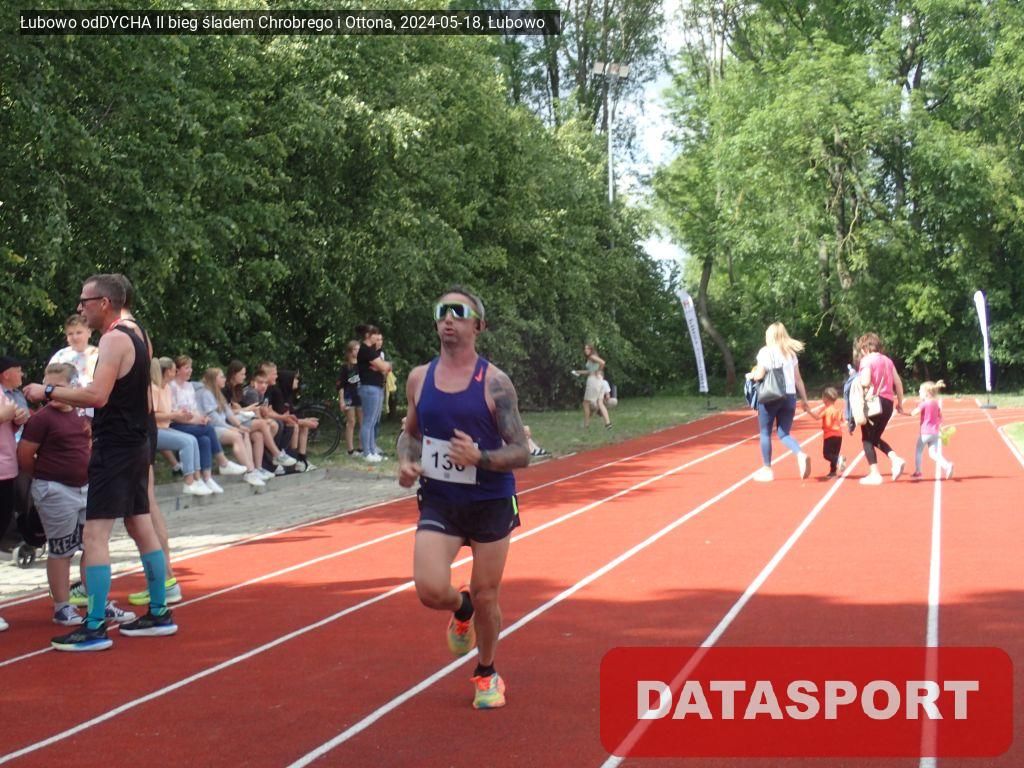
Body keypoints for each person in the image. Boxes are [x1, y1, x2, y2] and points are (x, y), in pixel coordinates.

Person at [24, 273, 178, 650]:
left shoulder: (113, 338)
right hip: (137, 441)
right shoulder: (138, 332)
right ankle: (159, 612)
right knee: (140, 523)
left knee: (94, 536)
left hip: (116, 447)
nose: (81, 308)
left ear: (104, 303)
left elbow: (97, 396)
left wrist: (47, 390)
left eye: (85, 301)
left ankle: (94, 626)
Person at [397, 287, 530, 710]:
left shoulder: (495, 382)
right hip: (441, 499)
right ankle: (461, 607)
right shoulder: (419, 378)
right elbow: (409, 434)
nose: (448, 319)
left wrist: (480, 457)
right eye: (442, 312)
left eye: (458, 312)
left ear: (479, 325)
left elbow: (522, 452)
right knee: (430, 589)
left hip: (490, 500)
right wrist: (406, 462)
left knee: (488, 593)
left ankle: (487, 672)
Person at [16, 363, 137, 626]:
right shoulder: (42, 419)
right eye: (47, 387)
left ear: (73, 387)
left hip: (86, 487)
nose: (51, 393)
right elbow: (25, 455)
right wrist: (46, 478)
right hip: (56, 489)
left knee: (91, 545)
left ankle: (97, 601)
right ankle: (62, 606)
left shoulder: (82, 415)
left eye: (57, 387)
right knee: (61, 549)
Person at [746, 322, 814, 482]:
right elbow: (798, 379)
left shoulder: (765, 351)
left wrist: (751, 375)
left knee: (765, 432)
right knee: (784, 433)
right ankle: (800, 453)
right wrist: (805, 400)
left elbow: (760, 375)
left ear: (770, 336)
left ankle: (767, 469)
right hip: (789, 397)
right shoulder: (790, 353)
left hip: (771, 396)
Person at [855, 332, 906, 485]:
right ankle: (895, 459)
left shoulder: (866, 360)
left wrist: (857, 385)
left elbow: (865, 382)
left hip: (873, 404)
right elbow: (898, 383)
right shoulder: (888, 361)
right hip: (888, 403)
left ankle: (875, 474)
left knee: (867, 439)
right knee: (875, 438)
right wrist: (900, 403)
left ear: (865, 348)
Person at [357, 325, 391, 462]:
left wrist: (382, 367)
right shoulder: (366, 350)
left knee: (373, 421)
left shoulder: (372, 351)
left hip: (376, 387)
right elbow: (384, 366)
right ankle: (367, 452)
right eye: (375, 334)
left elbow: (386, 368)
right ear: (367, 335)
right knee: (368, 421)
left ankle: (372, 450)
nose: (377, 337)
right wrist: (382, 366)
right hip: (369, 388)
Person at [911, 380, 954, 480]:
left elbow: (913, 413)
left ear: (926, 393)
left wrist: (902, 412)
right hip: (935, 433)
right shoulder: (936, 404)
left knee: (918, 451)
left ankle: (918, 472)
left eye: (920, 391)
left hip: (925, 433)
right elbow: (940, 418)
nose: (919, 392)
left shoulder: (924, 404)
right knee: (933, 453)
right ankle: (947, 465)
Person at [48, 313, 99, 387]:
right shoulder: (60, 356)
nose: (75, 337)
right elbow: (49, 381)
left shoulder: (98, 355)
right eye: (70, 334)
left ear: (89, 333)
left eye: (79, 333)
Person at [572, 344, 612, 429]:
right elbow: (590, 371)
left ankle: (586, 425)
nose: (585, 350)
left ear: (591, 350)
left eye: (588, 349)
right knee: (600, 403)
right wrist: (579, 372)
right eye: (585, 348)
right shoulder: (592, 358)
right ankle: (608, 424)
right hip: (599, 380)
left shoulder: (592, 357)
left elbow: (603, 362)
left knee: (586, 403)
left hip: (593, 381)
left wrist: (599, 370)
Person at [336, 340, 362, 455]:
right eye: (355, 349)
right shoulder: (345, 367)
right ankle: (350, 449)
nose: (357, 351)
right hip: (349, 396)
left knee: (363, 422)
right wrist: (341, 400)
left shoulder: (362, 364)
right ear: (350, 351)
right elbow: (340, 385)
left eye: (359, 349)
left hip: (361, 395)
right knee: (351, 422)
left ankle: (362, 447)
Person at [819, 387, 847, 478]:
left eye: (823, 397)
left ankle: (839, 459)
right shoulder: (837, 410)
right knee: (834, 454)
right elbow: (843, 420)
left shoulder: (825, 409)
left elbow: (816, 417)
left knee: (827, 454)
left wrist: (808, 410)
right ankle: (833, 471)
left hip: (829, 436)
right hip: (839, 435)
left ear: (826, 398)